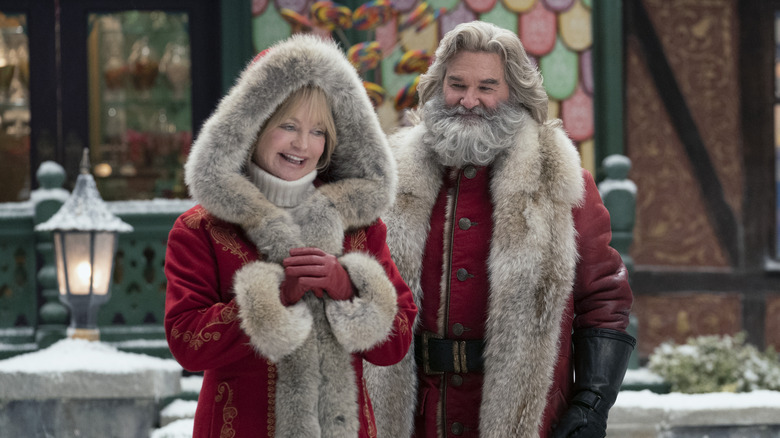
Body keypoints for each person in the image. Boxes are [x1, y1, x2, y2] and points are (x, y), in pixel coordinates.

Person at [364, 21, 635, 438]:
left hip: (524, 418)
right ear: (438, 87)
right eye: (457, 84)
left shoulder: (562, 185)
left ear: (514, 94)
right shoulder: (391, 179)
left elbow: (603, 297)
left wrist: (591, 402)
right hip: (414, 417)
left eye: (487, 87)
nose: (469, 101)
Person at [164, 34, 417, 438]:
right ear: (253, 128)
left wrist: (347, 287)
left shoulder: (359, 227)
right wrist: (273, 298)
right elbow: (188, 343)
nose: (303, 143)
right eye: (288, 126)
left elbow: (395, 344)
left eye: (319, 131)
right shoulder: (202, 229)